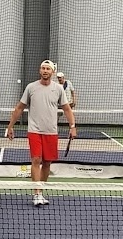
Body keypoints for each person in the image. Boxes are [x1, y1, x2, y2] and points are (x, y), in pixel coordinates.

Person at [6, 60, 77, 206]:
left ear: (52, 72)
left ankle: (41, 191)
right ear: (40, 71)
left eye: (48, 69)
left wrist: (72, 126)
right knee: (36, 160)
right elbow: (19, 108)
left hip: (51, 132)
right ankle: (36, 193)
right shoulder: (31, 87)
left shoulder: (58, 89)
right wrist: (10, 126)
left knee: (47, 163)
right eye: (43, 68)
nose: (45, 71)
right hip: (34, 130)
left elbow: (67, 109)